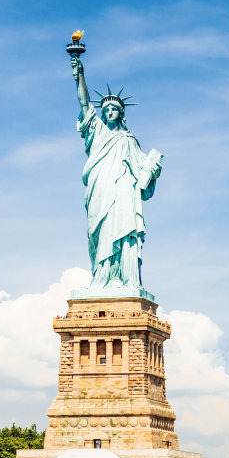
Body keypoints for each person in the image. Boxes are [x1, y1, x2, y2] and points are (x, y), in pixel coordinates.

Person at [70, 55, 162, 292]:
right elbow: (84, 104)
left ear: (122, 113)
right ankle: (101, 278)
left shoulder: (129, 140)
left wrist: (153, 168)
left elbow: (145, 169)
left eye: (114, 109)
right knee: (99, 233)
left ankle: (126, 278)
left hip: (122, 192)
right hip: (99, 189)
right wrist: (79, 74)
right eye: (107, 109)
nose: (110, 112)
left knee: (123, 229)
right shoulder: (97, 133)